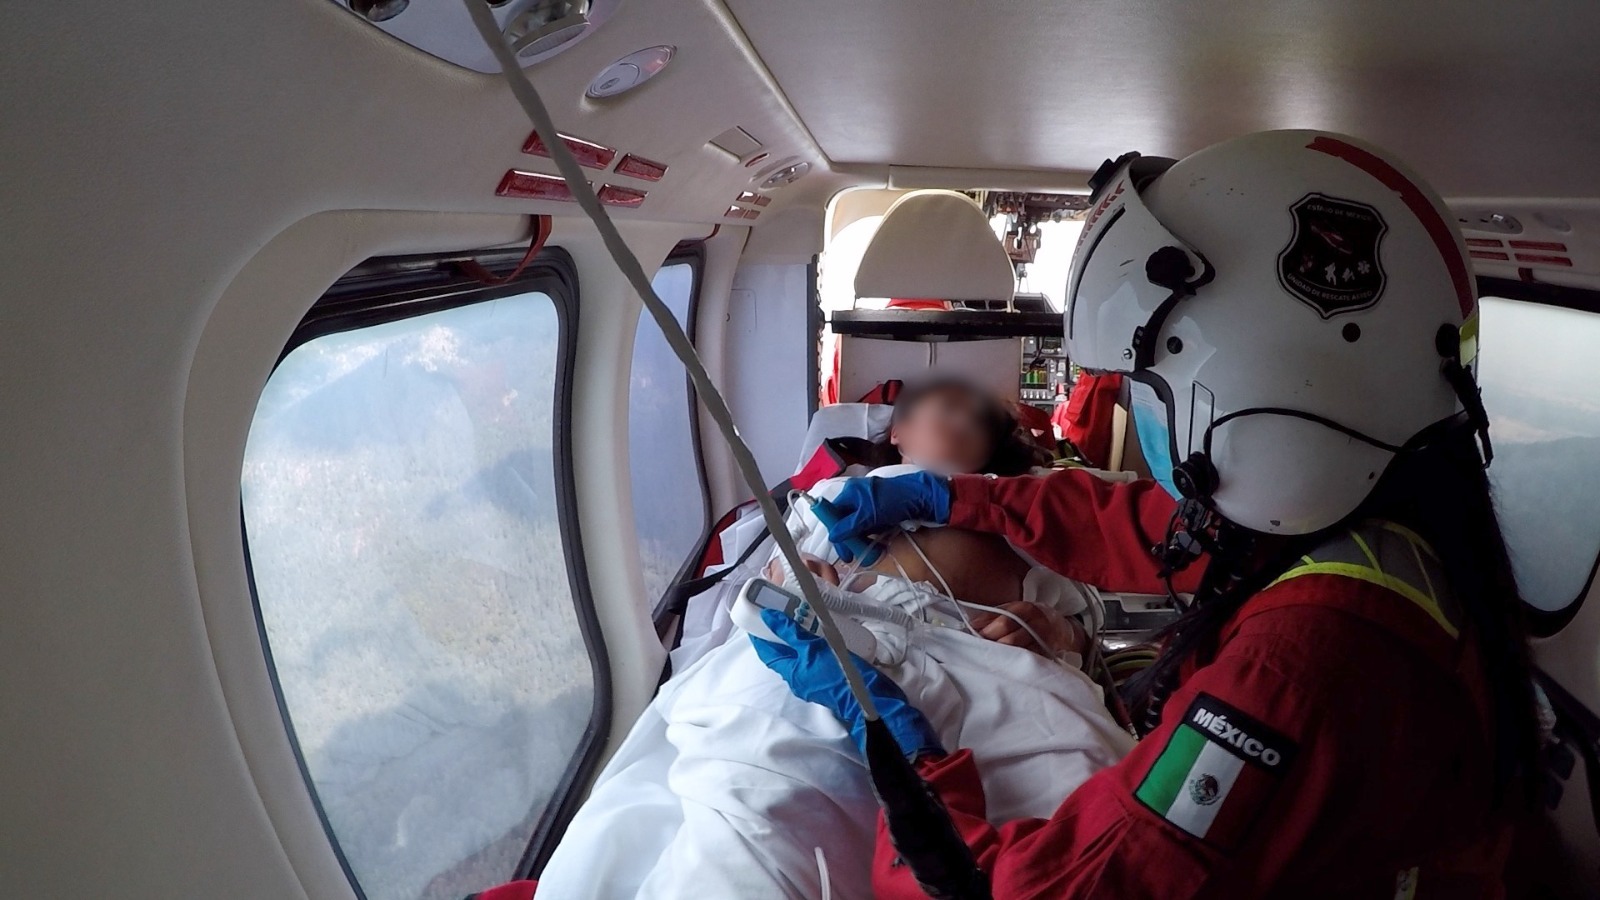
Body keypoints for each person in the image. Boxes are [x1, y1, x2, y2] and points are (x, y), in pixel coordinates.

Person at [752, 130, 1538, 898]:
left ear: (1256, 384)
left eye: (1150, 385)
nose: (1138, 405)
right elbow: (1140, 523)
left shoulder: (1296, 670)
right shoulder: (1365, 521)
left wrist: (897, 742)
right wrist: (951, 496)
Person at [532, 376, 1127, 900]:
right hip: (830, 648)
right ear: (898, 433)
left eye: (979, 419)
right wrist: (797, 577)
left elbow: (1086, 626)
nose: (963, 420)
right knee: (767, 807)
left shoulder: (1023, 515)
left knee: (1084, 813)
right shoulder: (835, 497)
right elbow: (768, 581)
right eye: (945, 406)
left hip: (985, 671)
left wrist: (1054, 628)